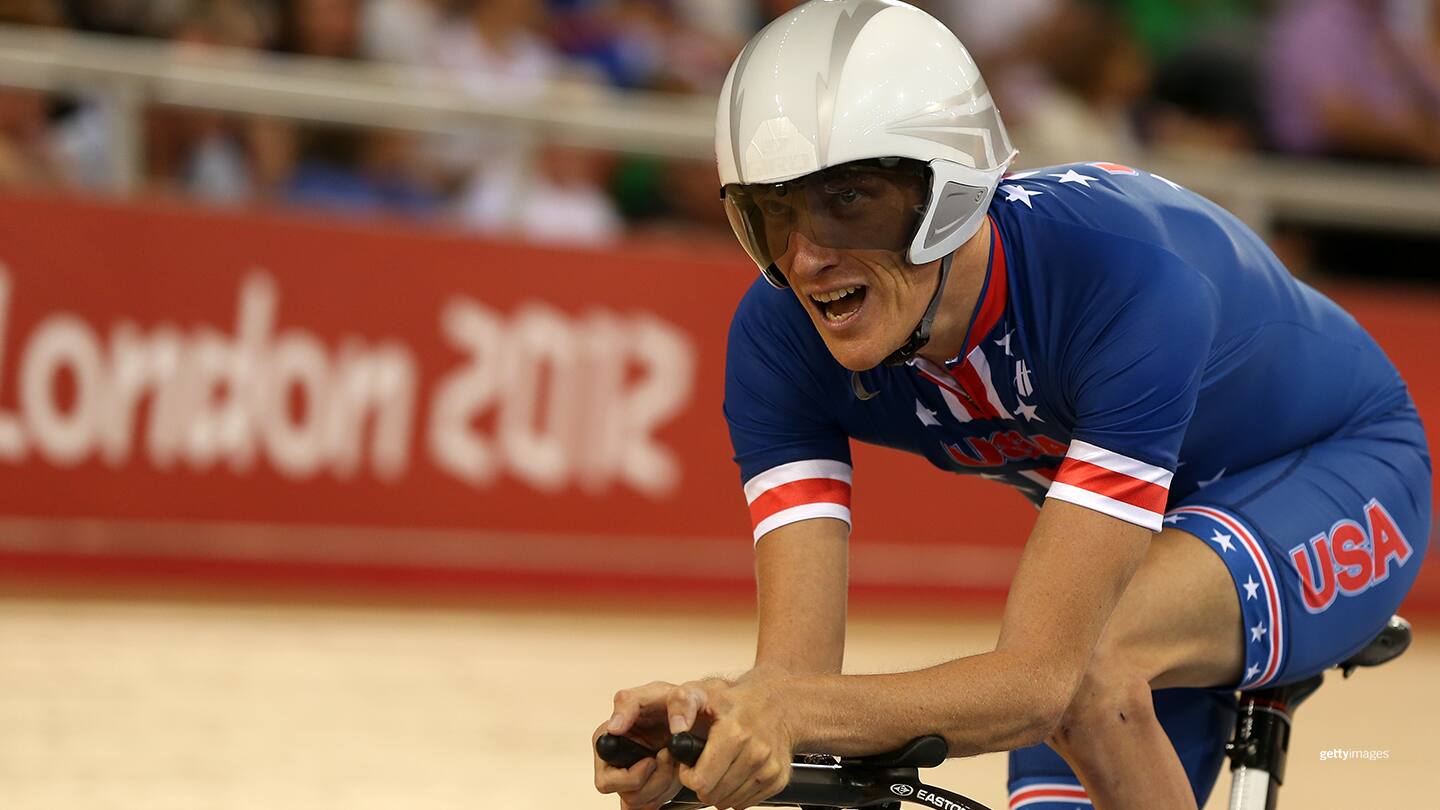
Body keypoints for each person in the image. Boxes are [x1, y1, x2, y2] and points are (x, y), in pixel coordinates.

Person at [592, 2, 1431, 809]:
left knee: (1091, 669)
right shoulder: (779, 337)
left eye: (847, 202)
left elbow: (1037, 683)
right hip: (1147, 535)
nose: (806, 259)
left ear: (949, 191)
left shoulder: (1120, 278)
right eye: (774, 214)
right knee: (1083, 678)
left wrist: (788, 711)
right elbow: (797, 682)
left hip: (1336, 466)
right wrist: (714, 725)